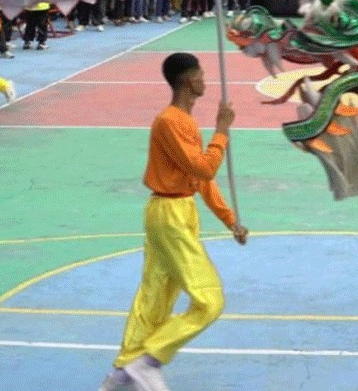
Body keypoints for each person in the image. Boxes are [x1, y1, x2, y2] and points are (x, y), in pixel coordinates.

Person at [100, 52, 248, 391]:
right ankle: (149, 359)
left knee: (156, 294)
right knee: (209, 299)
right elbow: (205, 168)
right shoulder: (170, 121)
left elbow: (201, 179)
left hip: (178, 211)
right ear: (187, 81)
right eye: (200, 74)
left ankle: (123, 373)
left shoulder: (185, 121)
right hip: (169, 214)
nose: (205, 79)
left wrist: (229, 219)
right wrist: (222, 130)